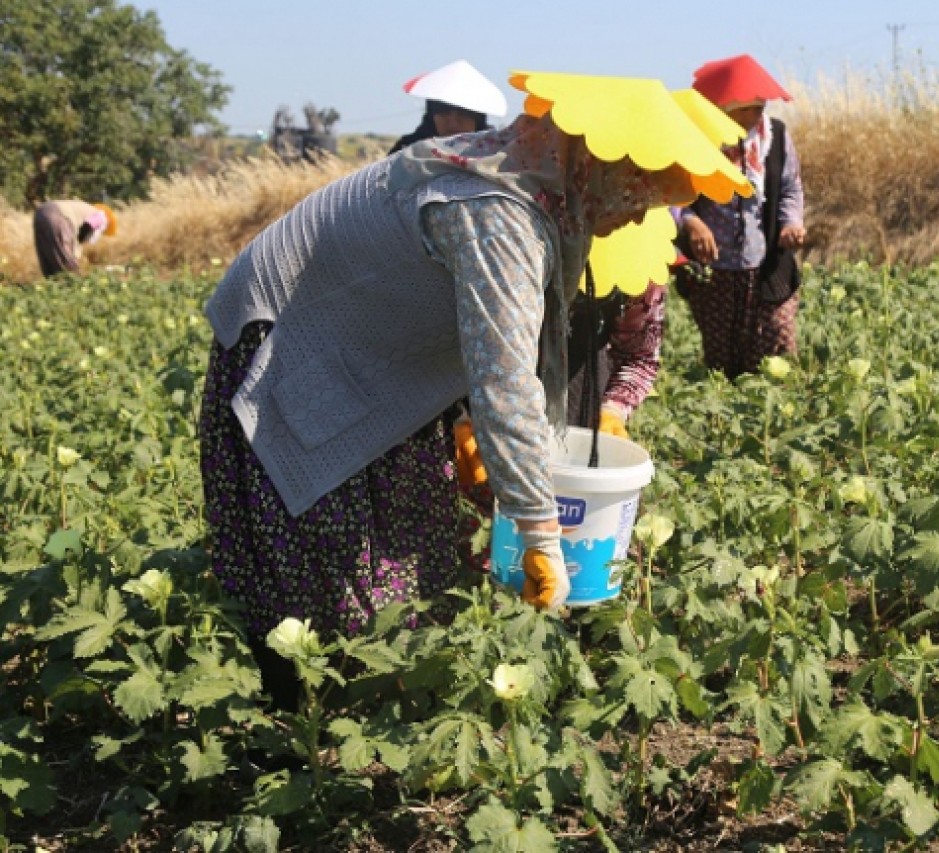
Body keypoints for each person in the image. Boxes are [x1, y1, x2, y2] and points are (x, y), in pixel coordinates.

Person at [199, 71, 750, 708]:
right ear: (600, 167)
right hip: (294, 340)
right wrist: (540, 532)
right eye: (638, 195)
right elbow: (505, 377)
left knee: (413, 538)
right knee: (322, 567)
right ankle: (310, 721)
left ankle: (388, 693)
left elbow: (509, 344)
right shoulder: (495, 211)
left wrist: (495, 445)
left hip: (381, 352)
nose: (634, 216)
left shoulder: (540, 188)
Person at [673, 54, 806, 378]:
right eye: (746, 109)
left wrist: (791, 223)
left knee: (777, 344)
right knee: (723, 360)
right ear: (725, 108)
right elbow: (672, 195)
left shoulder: (775, 137)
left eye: (759, 108)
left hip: (767, 265)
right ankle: (729, 409)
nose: (754, 116)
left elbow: (789, 188)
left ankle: (775, 408)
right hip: (714, 270)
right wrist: (692, 222)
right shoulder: (698, 140)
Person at [389, 59, 508, 155]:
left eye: (464, 112)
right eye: (443, 110)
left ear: (478, 117)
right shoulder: (406, 152)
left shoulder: (496, 154)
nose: (453, 120)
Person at [32, 199, 117, 277]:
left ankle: (52, 283)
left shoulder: (84, 209)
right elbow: (87, 226)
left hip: (40, 213)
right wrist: (79, 242)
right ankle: (73, 284)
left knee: (49, 259)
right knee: (67, 264)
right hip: (58, 217)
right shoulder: (101, 216)